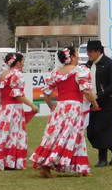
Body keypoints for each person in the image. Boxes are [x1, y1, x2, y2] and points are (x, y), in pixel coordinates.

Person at [31, 47, 98, 178]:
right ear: (71, 57)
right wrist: (95, 104)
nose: (78, 56)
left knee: (57, 136)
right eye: (77, 54)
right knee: (71, 135)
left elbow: (46, 93)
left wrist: (52, 107)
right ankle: (50, 165)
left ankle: (81, 168)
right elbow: (86, 91)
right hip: (74, 107)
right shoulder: (80, 71)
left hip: (60, 107)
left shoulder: (56, 72)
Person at [0, 53, 38, 170]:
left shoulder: (2, 75)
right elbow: (17, 95)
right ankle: (11, 162)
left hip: (4, 108)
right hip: (14, 109)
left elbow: (0, 95)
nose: (23, 64)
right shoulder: (17, 74)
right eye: (22, 61)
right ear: (18, 63)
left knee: (1, 134)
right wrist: (32, 105)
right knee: (14, 134)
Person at [84, 40, 112, 167]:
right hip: (92, 102)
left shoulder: (110, 64)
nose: (88, 54)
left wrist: (99, 94)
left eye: (90, 52)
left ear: (98, 51)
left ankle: (102, 159)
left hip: (107, 102)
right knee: (91, 131)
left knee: (102, 130)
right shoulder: (88, 64)